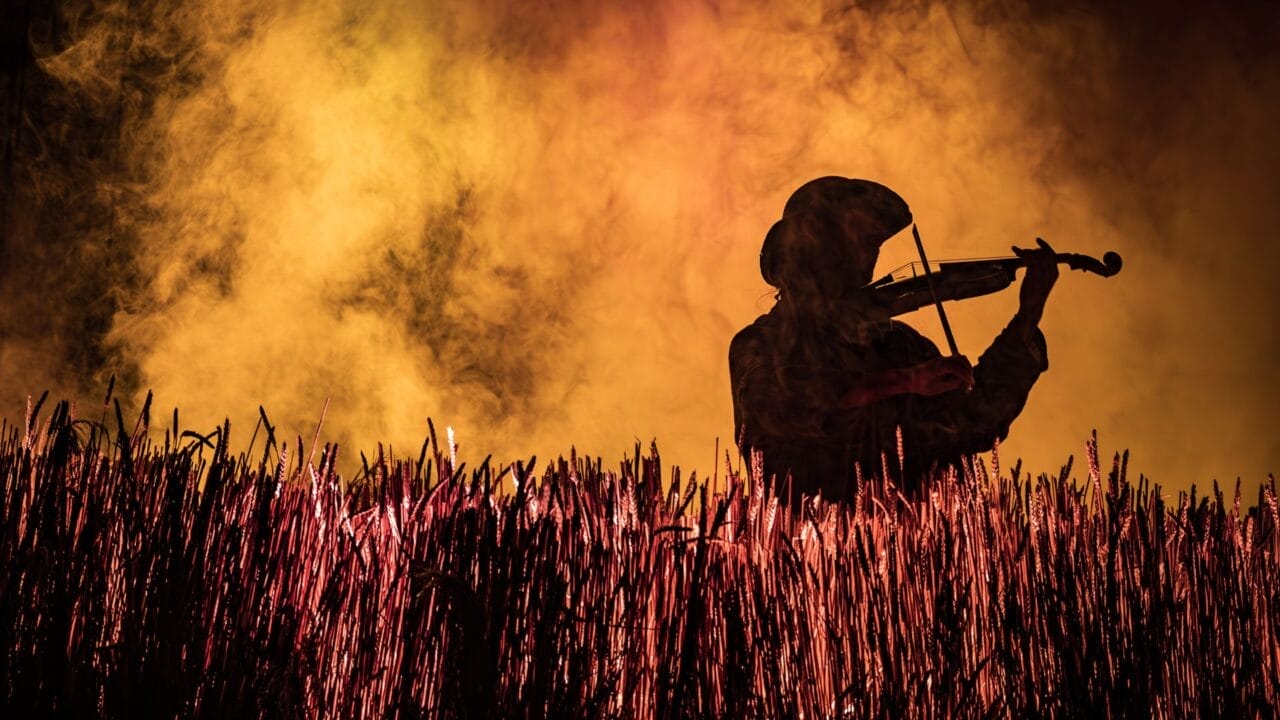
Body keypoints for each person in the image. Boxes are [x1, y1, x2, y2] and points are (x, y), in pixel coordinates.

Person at [729, 176, 1059, 502]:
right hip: (806, 546)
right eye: (852, 239)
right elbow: (785, 409)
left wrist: (1027, 318)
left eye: (871, 244)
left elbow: (970, 424)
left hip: (907, 544)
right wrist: (904, 381)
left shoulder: (901, 346)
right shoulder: (761, 344)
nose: (864, 257)